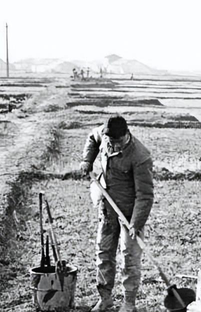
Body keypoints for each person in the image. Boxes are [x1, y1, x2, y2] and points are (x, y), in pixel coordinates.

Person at [79, 115, 154, 312]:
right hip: (107, 206)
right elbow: (92, 138)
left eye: (117, 142)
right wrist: (87, 160)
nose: (113, 146)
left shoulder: (140, 156)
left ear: (126, 136)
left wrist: (135, 224)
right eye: (110, 142)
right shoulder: (104, 136)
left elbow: (145, 195)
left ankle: (129, 302)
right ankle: (105, 298)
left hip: (130, 212)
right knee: (103, 253)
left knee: (129, 256)